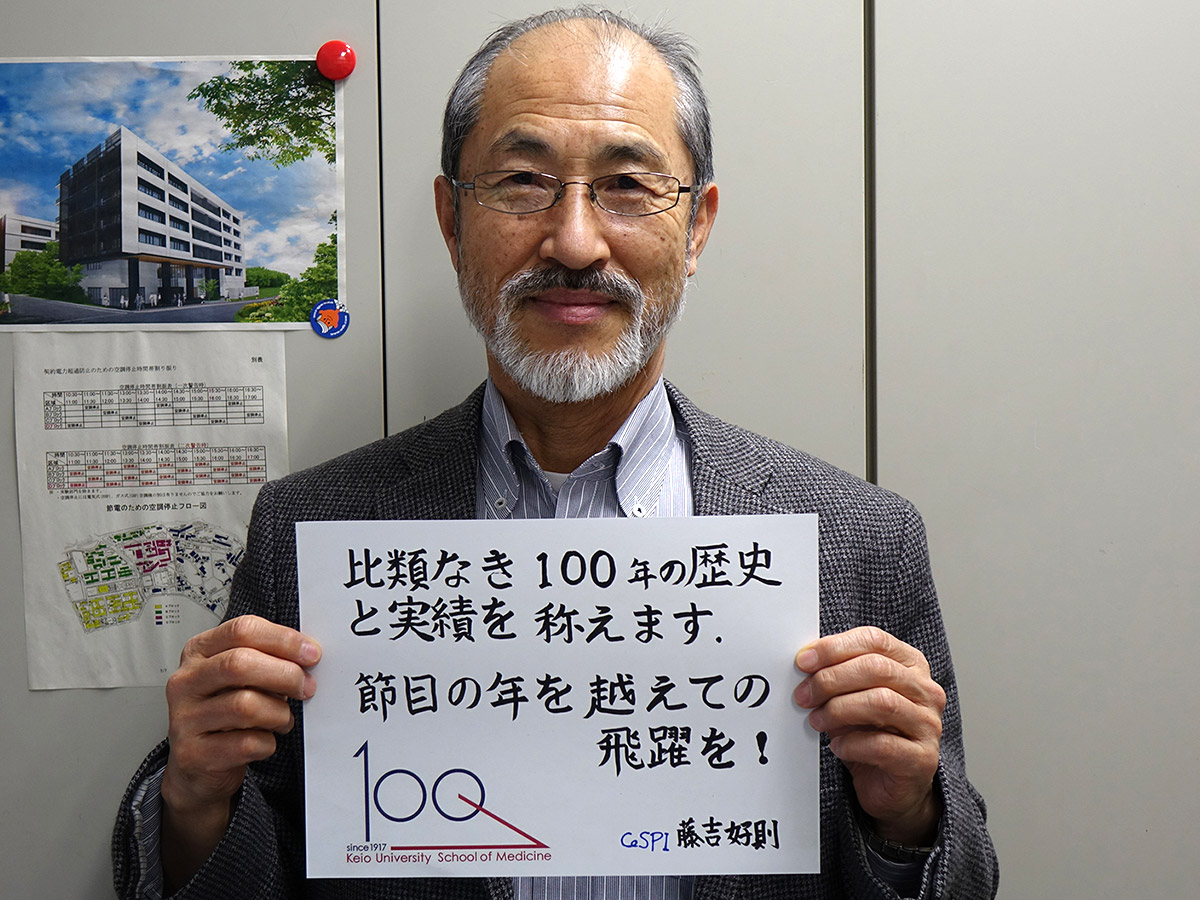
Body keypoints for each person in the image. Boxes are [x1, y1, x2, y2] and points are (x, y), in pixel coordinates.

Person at [113, 7, 997, 899]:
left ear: (696, 228)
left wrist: (906, 815)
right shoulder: (309, 532)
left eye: (627, 186)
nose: (575, 241)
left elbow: (963, 880)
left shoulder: (860, 539)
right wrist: (194, 796)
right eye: (524, 180)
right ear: (451, 220)